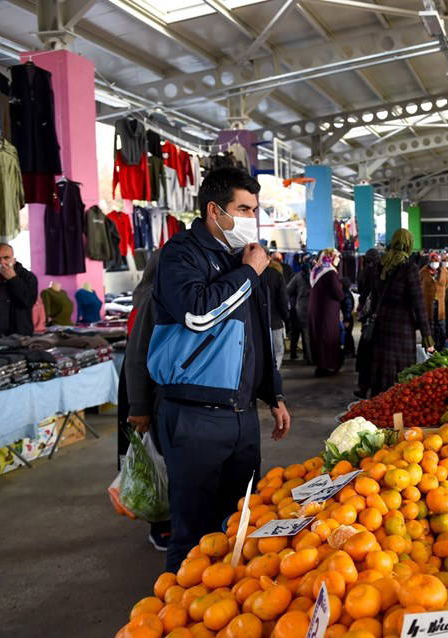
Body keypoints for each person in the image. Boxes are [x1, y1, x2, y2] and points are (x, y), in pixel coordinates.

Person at [147, 166, 291, 572]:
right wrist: (248, 273)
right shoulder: (181, 255)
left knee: (240, 525)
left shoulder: (241, 258)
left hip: (242, 416)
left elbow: (256, 334)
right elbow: (197, 312)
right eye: (243, 209)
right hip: (194, 417)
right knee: (193, 535)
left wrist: (273, 393)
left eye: (254, 210)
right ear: (215, 210)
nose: (251, 219)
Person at [118, 251, 170, 551]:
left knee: (160, 463)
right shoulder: (151, 300)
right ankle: (160, 524)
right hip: (144, 391)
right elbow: (137, 358)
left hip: (148, 391)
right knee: (155, 463)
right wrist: (141, 406)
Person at [366, 229, 433, 396]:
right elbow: (418, 304)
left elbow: (374, 299)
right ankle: (396, 414)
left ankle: (379, 408)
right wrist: (427, 337)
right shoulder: (409, 268)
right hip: (401, 331)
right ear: (408, 244)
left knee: (382, 373)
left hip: (381, 329)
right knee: (400, 375)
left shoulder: (380, 265)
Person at [308, 249, 345, 377]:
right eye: (337, 257)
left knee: (318, 337)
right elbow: (338, 294)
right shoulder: (330, 273)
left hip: (316, 310)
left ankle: (320, 365)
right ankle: (328, 366)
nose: (339, 260)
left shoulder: (316, 270)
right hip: (327, 312)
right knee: (327, 338)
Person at [263, 255, 290, 369]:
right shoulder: (278, 276)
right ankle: (275, 375)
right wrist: (287, 318)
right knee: (278, 350)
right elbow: (282, 301)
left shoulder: (256, 274)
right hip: (275, 321)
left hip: (259, 322)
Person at [419, 252, 448, 350]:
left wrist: (440, 293)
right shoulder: (423, 272)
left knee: (441, 326)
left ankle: (442, 347)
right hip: (428, 303)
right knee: (430, 326)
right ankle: (429, 348)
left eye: (436, 261)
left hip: (440, 303)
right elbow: (418, 285)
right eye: (432, 261)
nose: (434, 263)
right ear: (429, 261)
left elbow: (447, 284)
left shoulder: (444, 271)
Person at [287, 258, 312, 364]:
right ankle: (309, 357)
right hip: (312, 307)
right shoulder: (315, 276)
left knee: (296, 332)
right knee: (307, 334)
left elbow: (288, 290)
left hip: (300, 308)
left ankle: (294, 354)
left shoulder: (298, 277)